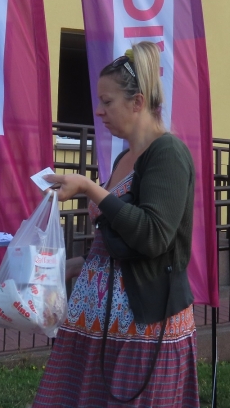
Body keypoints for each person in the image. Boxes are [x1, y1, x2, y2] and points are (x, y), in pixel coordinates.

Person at [33, 42, 199, 408]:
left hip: (142, 328)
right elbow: (115, 242)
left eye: (107, 102)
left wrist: (90, 188)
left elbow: (152, 236)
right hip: (98, 324)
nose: (99, 111)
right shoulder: (127, 156)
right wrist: (69, 266)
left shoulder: (168, 154)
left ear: (137, 102)